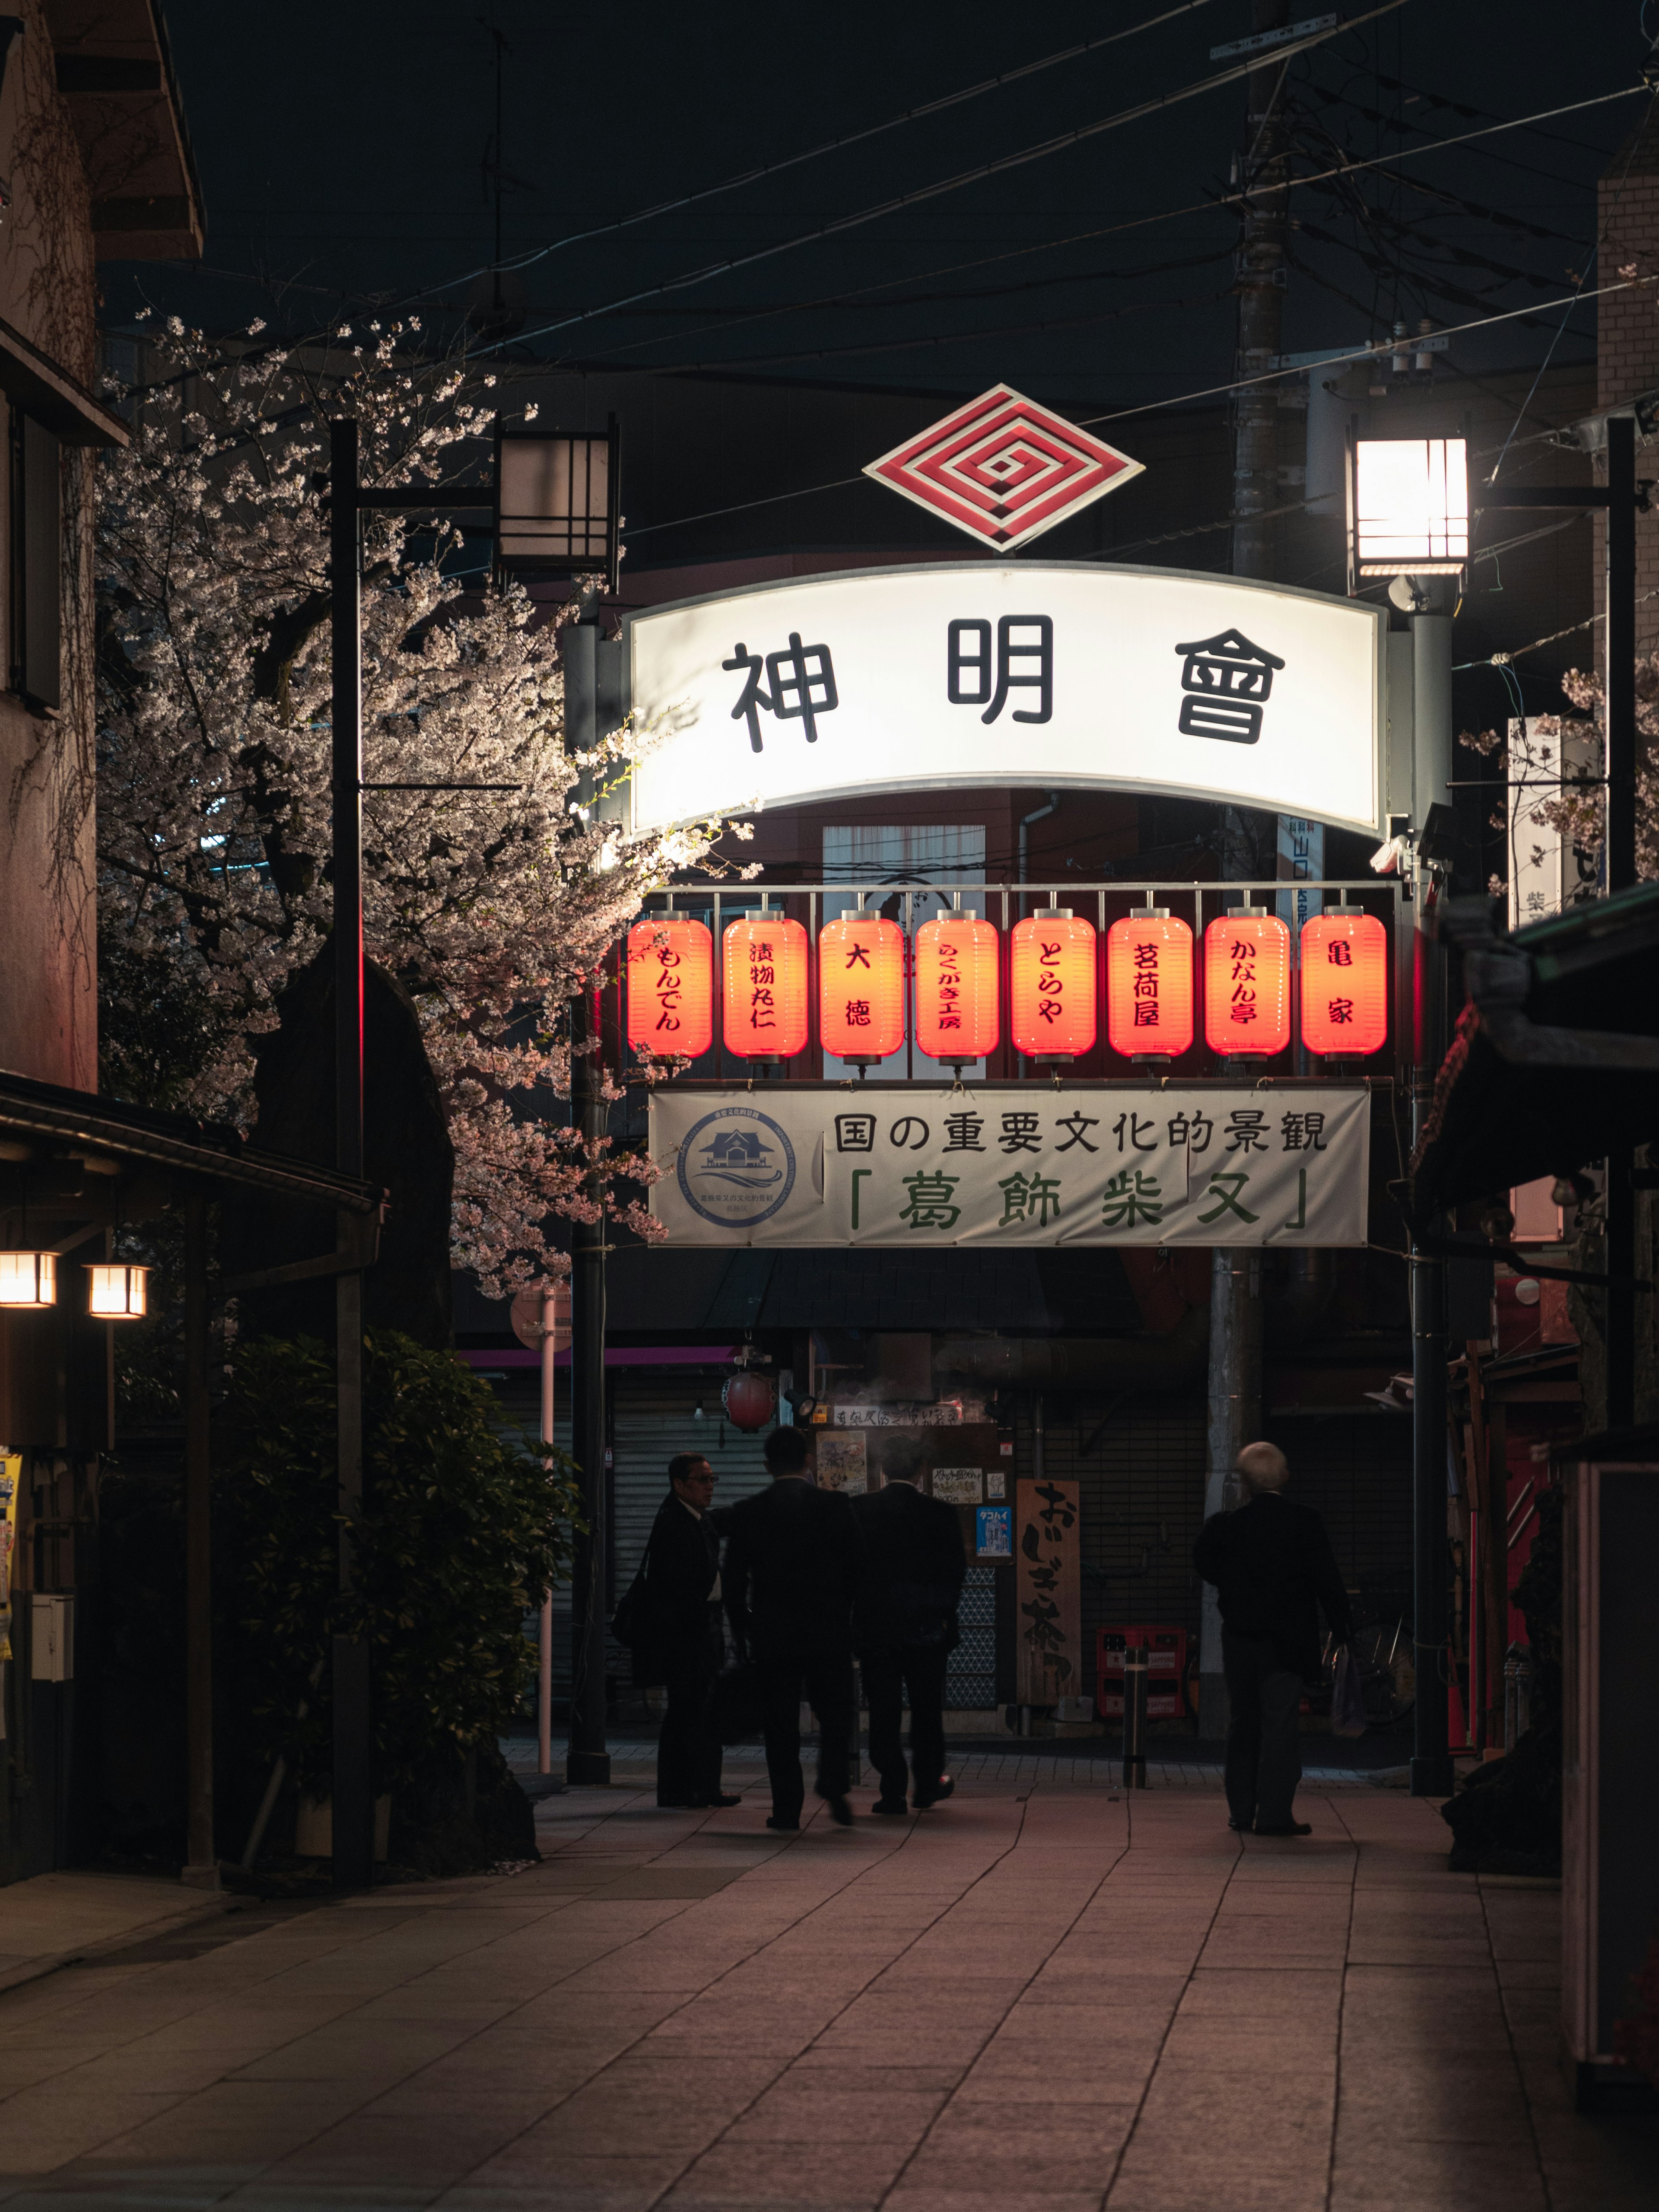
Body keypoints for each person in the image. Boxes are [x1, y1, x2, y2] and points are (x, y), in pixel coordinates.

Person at [1194, 1440, 1354, 1837]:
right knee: (1280, 1725)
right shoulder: (1305, 1522)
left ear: (1245, 1483)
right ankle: (1275, 1813)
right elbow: (1327, 1581)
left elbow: (1204, 1562)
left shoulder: (1226, 1527)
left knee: (1243, 1722)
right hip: (1288, 1641)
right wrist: (1343, 1631)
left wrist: (1237, 1588)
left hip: (1241, 1640)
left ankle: (1241, 1811)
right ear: (1284, 1476)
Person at [724, 1424, 860, 1831]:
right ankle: (834, 1783)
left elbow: (733, 1581)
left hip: (773, 1635)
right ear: (808, 1462)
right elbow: (858, 1569)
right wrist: (848, 1618)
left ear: (767, 1466)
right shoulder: (836, 1506)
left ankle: (787, 1809)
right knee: (836, 1715)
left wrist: (743, 1628)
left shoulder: (749, 1511)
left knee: (780, 1725)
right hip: (828, 1632)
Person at [852, 1447, 966, 1816]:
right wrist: (945, 1617)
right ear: (921, 1470)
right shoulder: (941, 1513)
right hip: (926, 1630)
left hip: (877, 1630)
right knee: (927, 1712)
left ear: (883, 1468)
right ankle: (928, 1785)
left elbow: (847, 1571)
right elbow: (955, 1574)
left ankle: (892, 1791)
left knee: (883, 1711)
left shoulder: (859, 1510)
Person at [642, 1453, 741, 1811]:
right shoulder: (676, 1524)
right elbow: (676, 1589)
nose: (710, 1486)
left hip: (702, 1631)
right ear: (680, 1484)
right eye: (702, 1479)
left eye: (713, 1479)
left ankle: (695, 1788)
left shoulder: (693, 1518)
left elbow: (722, 1521)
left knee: (695, 1711)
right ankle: (687, 1789)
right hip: (688, 1636)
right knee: (691, 1711)